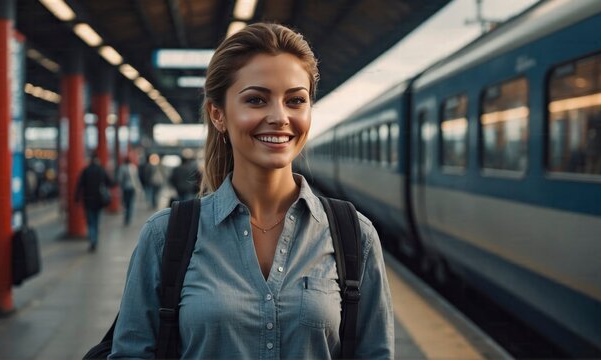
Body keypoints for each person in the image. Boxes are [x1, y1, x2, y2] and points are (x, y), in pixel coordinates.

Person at [110, 23, 394, 359]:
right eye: (256, 100)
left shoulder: (355, 237)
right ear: (218, 114)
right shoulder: (164, 237)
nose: (279, 117)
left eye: (295, 100)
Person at [75, 152, 114, 252]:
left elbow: (79, 185)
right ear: (97, 160)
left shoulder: (85, 170)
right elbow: (110, 182)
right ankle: (95, 240)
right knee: (96, 221)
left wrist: (76, 198)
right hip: (99, 201)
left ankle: (92, 240)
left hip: (88, 200)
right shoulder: (101, 170)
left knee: (90, 222)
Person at [117, 156, 142, 226]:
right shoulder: (133, 167)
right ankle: (129, 217)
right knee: (131, 203)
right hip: (133, 188)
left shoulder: (122, 168)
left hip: (125, 188)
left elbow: (120, 179)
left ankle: (126, 217)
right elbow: (137, 178)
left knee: (126, 203)